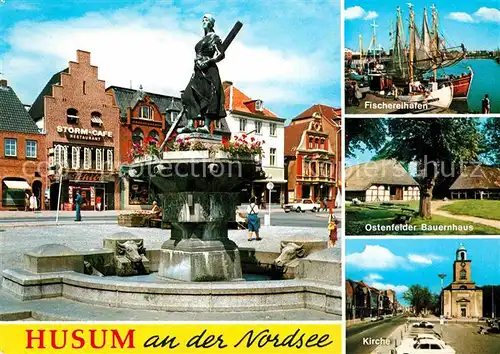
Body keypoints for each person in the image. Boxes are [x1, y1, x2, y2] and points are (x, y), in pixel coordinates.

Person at [178, 14, 226, 134]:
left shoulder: (214, 38)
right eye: (203, 19)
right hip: (198, 70)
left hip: (209, 71)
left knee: (209, 96)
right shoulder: (202, 40)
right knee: (188, 94)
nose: (203, 21)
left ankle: (206, 125)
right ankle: (190, 124)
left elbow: (221, 54)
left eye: (206, 19)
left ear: (211, 23)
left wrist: (209, 61)